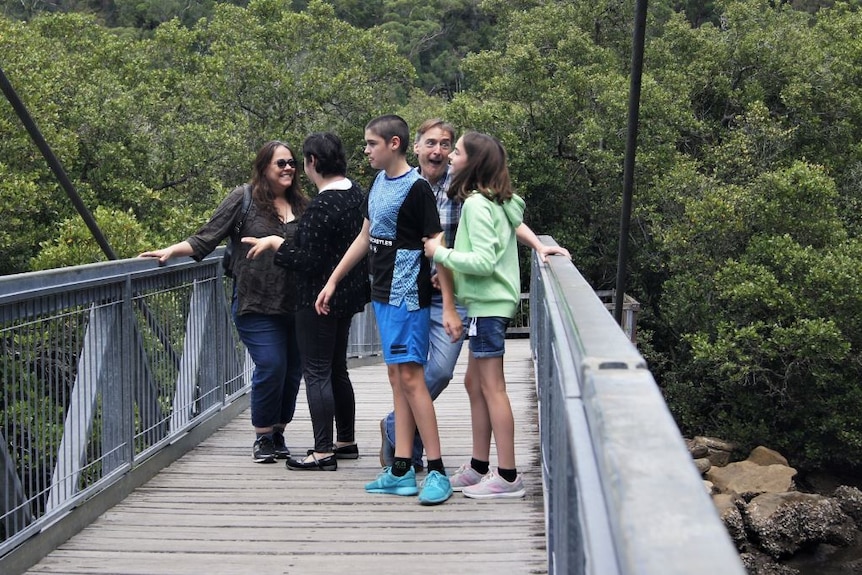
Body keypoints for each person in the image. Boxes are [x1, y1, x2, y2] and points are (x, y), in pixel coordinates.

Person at [379, 119, 571, 472]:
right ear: (417, 148)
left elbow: (505, 219)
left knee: (437, 372)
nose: (441, 152)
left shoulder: (467, 189)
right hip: (412, 290)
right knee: (421, 375)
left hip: (459, 294)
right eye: (433, 144)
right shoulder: (404, 185)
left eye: (449, 145)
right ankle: (413, 449)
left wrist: (539, 246)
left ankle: (398, 427)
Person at [315, 115, 461, 505]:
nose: (365, 151)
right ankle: (399, 470)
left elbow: (437, 248)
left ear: (394, 143)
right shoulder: (379, 183)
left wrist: (447, 305)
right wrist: (333, 280)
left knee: (413, 380)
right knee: (398, 379)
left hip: (407, 296)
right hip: (381, 293)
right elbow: (366, 236)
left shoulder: (417, 190)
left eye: (371, 144)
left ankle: (436, 471)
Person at [139, 141, 307, 464]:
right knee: (272, 364)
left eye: (292, 163)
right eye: (281, 163)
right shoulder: (244, 200)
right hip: (255, 302)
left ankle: (278, 431)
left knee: (292, 371)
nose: (288, 168)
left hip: (296, 304)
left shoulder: (302, 205)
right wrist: (171, 250)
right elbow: (207, 236)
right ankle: (262, 437)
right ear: (264, 168)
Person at [243, 132, 370, 472]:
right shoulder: (356, 194)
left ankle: (322, 450)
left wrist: (274, 243)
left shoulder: (321, 205)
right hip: (348, 295)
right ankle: (346, 442)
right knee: (337, 369)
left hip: (318, 300)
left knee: (316, 373)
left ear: (312, 162)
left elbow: (308, 259)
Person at [423, 131, 530, 499]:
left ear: (473, 162)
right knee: (474, 384)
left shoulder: (476, 206)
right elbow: (501, 241)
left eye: (457, 151)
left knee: (492, 388)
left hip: (487, 307)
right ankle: (479, 466)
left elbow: (483, 262)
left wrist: (440, 253)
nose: (450, 155)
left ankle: (509, 475)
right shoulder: (499, 203)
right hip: (488, 306)